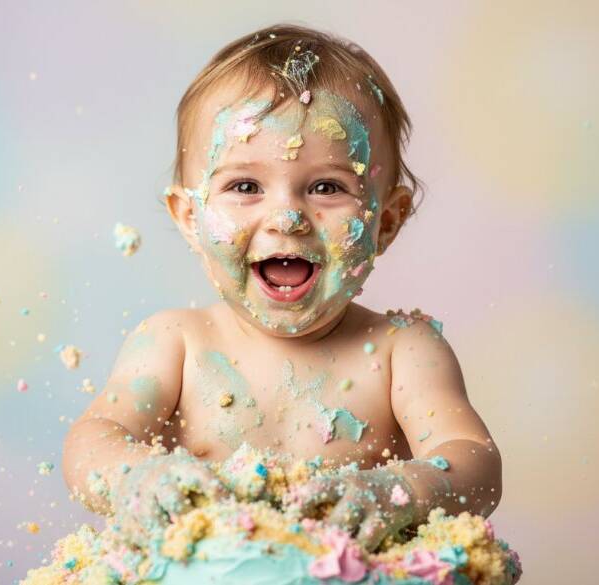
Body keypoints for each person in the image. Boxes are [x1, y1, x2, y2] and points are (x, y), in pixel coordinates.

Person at [62, 23, 502, 553]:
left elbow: (475, 461)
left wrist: (402, 489)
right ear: (189, 218)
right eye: (244, 186)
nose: (288, 218)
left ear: (386, 222)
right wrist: (137, 476)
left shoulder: (402, 352)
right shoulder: (175, 344)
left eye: (327, 187)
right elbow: (92, 442)